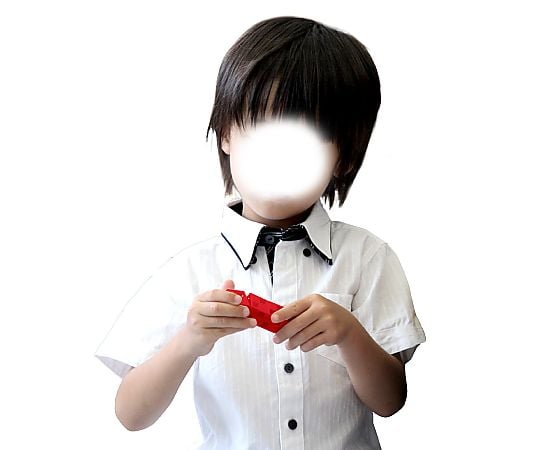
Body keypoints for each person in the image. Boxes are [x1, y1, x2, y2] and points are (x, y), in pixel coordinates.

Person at [95, 16, 426, 449]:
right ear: (227, 134)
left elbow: (390, 401)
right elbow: (131, 414)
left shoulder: (368, 258)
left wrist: (349, 334)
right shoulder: (190, 271)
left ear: (343, 158)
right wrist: (189, 341)